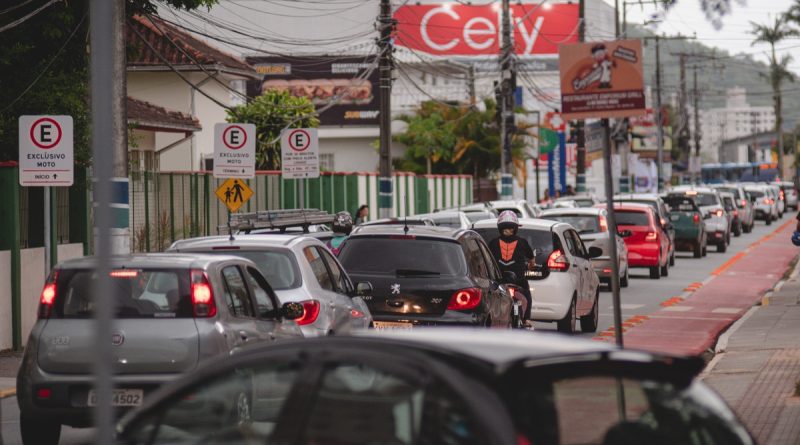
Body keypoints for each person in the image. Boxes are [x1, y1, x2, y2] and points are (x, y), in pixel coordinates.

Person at [488, 211, 536, 327]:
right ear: (515, 228)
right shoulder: (522, 242)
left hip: (500, 280)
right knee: (527, 293)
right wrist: (530, 266)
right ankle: (526, 319)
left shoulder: (493, 243)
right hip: (518, 280)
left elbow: (488, 260)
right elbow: (532, 261)